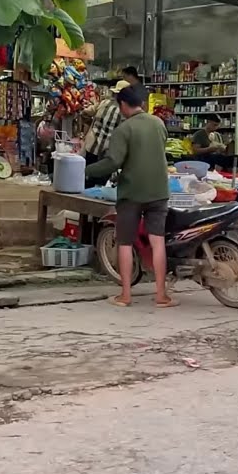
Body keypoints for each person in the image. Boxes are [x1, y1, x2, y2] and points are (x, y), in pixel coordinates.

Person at [84, 85, 176, 308]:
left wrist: (87, 170)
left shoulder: (123, 130)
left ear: (123, 105)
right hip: (159, 191)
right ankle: (161, 295)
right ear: (142, 104)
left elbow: (114, 161)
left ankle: (125, 295)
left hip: (131, 193)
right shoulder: (158, 123)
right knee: (158, 241)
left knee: (125, 243)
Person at [82, 80, 128, 187]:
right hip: (107, 152)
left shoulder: (104, 103)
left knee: (87, 179)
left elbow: (85, 112)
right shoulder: (124, 111)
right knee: (100, 183)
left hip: (91, 147)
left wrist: (90, 124)